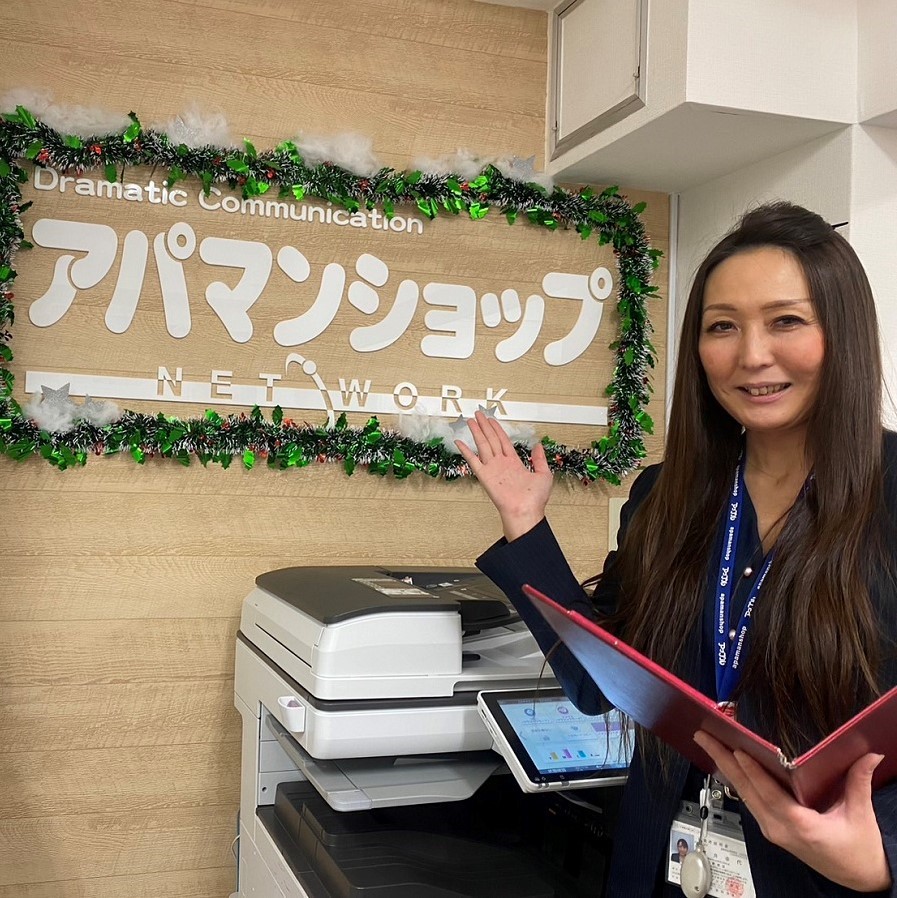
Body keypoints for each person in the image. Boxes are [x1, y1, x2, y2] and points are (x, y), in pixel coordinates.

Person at [457, 202, 897, 897]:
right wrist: (524, 523)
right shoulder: (669, 494)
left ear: (841, 332)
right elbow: (605, 676)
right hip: (663, 866)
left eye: (785, 321)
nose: (751, 355)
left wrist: (883, 860)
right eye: (721, 327)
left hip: (824, 880)